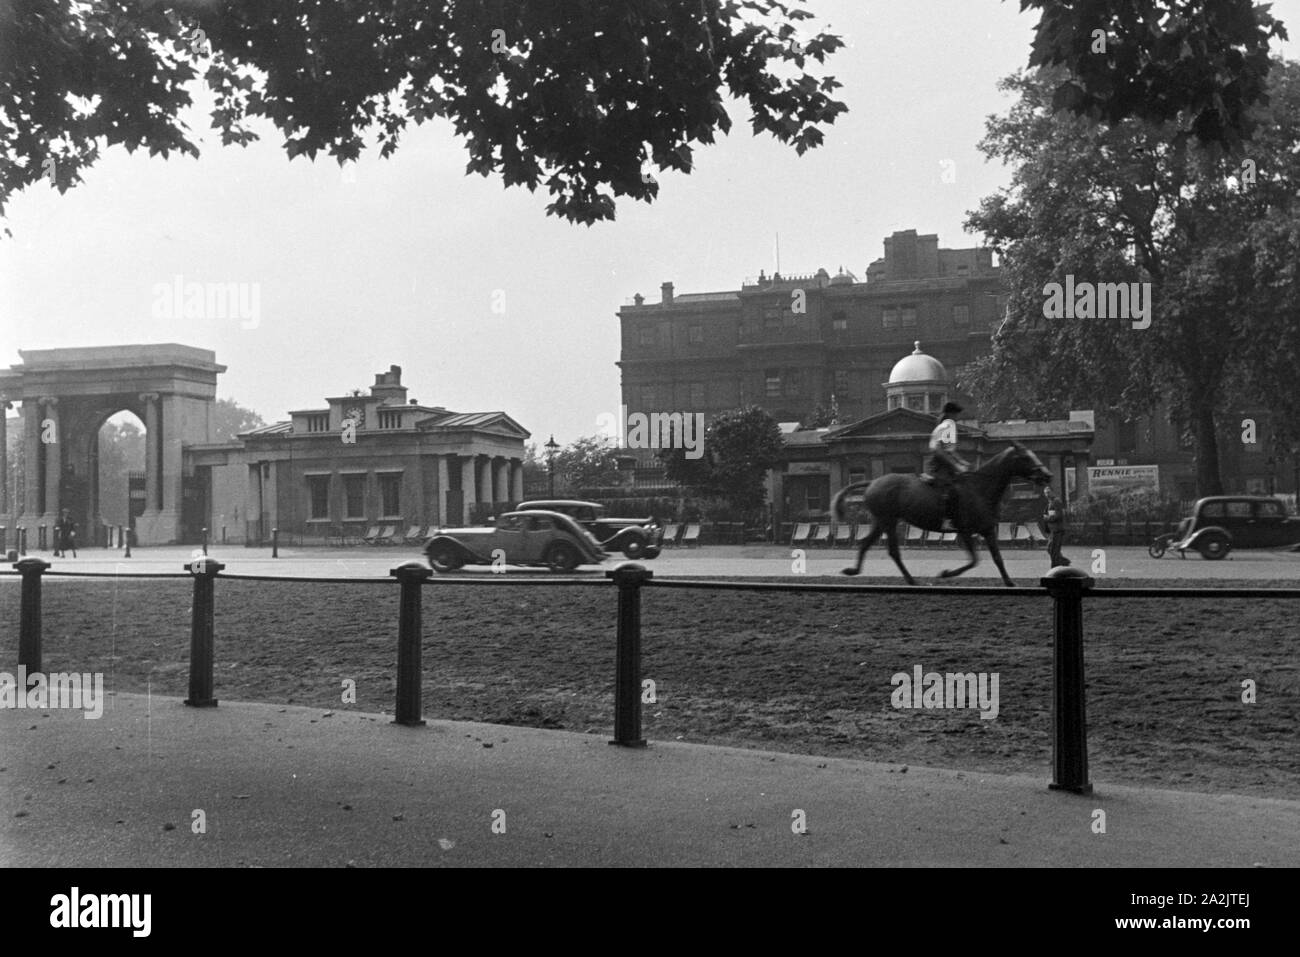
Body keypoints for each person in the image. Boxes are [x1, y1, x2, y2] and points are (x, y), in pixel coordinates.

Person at [921, 401, 970, 521]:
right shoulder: (945, 426)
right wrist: (956, 465)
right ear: (950, 414)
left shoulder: (950, 426)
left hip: (945, 462)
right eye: (956, 414)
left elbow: (950, 450)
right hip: (938, 464)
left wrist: (962, 461)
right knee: (948, 488)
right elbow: (939, 451)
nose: (958, 417)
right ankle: (945, 518)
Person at [1043, 485, 1070, 567]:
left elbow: (1058, 515)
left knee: (1053, 550)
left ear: (1052, 492)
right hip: (1053, 530)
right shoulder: (1050, 503)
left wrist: (1047, 518)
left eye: (1048, 492)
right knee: (1050, 548)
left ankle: (1055, 566)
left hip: (1057, 530)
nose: (1047, 495)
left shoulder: (1056, 501)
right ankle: (1063, 561)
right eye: (1045, 493)